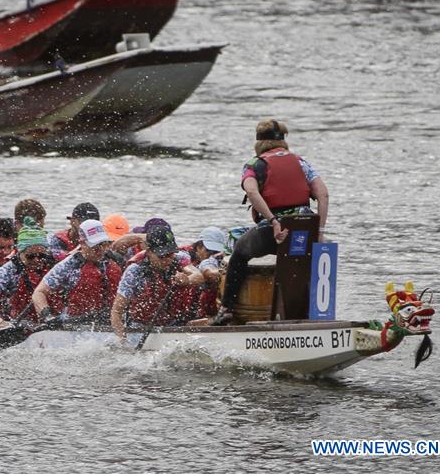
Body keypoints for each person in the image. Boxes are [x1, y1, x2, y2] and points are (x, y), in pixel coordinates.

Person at [212, 119, 330, 325]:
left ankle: (227, 309)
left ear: (259, 143)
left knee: (239, 252)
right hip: (305, 228)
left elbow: (251, 190)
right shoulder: (301, 162)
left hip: (275, 231)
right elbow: (323, 195)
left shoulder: (255, 164)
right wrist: (319, 231)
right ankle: (314, 311)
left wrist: (273, 221)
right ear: (283, 142)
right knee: (307, 259)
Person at [109, 226, 204, 343]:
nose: (167, 260)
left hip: (173, 323)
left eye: (170, 254)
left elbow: (198, 276)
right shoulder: (134, 271)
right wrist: (122, 340)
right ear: (149, 252)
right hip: (140, 326)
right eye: (162, 256)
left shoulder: (180, 259)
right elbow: (116, 312)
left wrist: (187, 280)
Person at [31, 219, 123, 322]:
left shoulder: (116, 261)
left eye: (103, 244)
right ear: (82, 243)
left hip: (110, 321)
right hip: (75, 323)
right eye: (95, 246)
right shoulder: (68, 265)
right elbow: (38, 293)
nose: (100, 250)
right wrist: (48, 317)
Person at [0, 217, 58, 329]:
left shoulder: (57, 264)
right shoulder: (10, 269)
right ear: (19, 252)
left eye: (41, 255)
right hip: (21, 323)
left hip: (54, 320)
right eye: (30, 256)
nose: (36, 260)